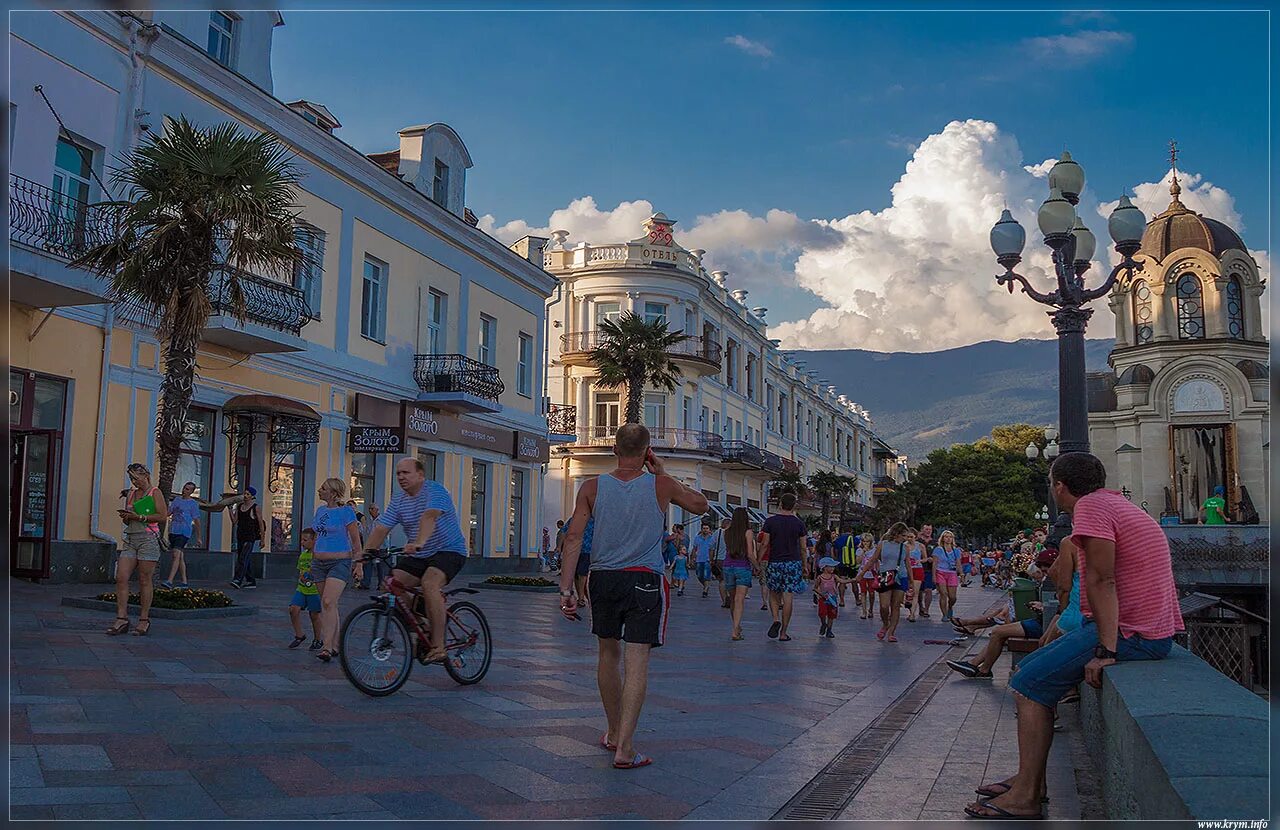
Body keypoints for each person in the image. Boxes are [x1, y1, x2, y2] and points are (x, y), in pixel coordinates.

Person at [966, 452, 1183, 820]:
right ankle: (1029, 779)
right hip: (1143, 626)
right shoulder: (1115, 503)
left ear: (1059, 486)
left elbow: (1101, 578)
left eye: (1052, 484)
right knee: (1031, 671)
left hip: (1133, 632)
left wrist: (1108, 650)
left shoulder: (1090, 509)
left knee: (1029, 682)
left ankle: (1026, 797)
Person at [558, 424, 708, 770]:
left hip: (603, 579)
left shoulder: (592, 487)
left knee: (607, 655)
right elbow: (700, 506)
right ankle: (625, 747)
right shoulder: (661, 484)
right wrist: (664, 473)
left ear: (614, 449)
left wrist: (567, 589)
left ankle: (612, 732)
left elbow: (573, 538)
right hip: (645, 580)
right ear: (647, 452)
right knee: (637, 660)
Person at [363, 457, 469, 665]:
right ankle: (423, 624)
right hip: (420, 554)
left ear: (420, 475)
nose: (401, 477)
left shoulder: (435, 491)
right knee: (391, 584)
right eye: (398, 473)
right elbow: (382, 528)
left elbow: (429, 516)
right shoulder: (399, 499)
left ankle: (439, 646)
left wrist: (419, 541)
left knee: (430, 583)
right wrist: (364, 555)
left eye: (406, 472)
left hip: (449, 551)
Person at [107, 463, 168, 636]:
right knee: (121, 577)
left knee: (144, 579)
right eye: (131, 478)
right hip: (131, 538)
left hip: (148, 539)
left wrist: (140, 516)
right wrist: (127, 517)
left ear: (145, 476)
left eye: (136, 478)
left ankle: (144, 619)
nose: (134, 482)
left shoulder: (155, 492)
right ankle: (122, 618)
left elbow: (162, 516)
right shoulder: (131, 494)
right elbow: (129, 520)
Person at [309, 478, 362, 662]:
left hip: (340, 562)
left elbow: (356, 540)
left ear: (332, 492)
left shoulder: (346, 512)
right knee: (329, 605)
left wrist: (359, 563)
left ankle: (326, 646)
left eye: (323, 488)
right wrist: (310, 558)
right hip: (318, 563)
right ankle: (336, 645)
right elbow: (316, 536)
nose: (319, 490)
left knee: (328, 601)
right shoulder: (320, 510)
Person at [761, 493, 808, 642]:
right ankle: (783, 632)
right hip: (793, 562)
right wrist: (805, 565)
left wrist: (757, 560)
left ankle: (775, 619)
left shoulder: (770, 522)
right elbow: (803, 547)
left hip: (775, 561)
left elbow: (765, 543)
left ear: (780, 504)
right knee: (788, 596)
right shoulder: (799, 524)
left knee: (774, 593)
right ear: (794, 505)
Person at [860, 523, 910, 643]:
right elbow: (873, 560)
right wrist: (861, 573)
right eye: (904, 535)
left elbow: (907, 564)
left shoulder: (905, 548)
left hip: (901, 576)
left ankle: (891, 632)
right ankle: (885, 624)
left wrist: (911, 581)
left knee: (896, 606)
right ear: (896, 534)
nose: (906, 538)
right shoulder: (883, 545)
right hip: (885, 575)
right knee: (884, 606)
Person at [721, 508, 758, 641]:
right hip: (742, 567)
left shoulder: (727, 532)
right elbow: (750, 553)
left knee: (733, 599)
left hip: (728, 567)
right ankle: (735, 629)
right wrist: (757, 566)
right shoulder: (748, 532)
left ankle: (736, 626)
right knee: (739, 599)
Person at [288, 528, 324, 650]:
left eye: (305, 540)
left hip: (314, 590)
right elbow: (301, 571)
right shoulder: (303, 555)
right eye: (301, 540)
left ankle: (318, 639)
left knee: (314, 615)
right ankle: (299, 635)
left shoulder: (319, 555)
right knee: (293, 609)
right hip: (302, 588)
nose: (302, 543)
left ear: (314, 540)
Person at [161, 481, 200, 589]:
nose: (184, 490)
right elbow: (168, 513)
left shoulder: (193, 504)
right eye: (184, 488)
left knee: (175, 555)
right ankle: (184, 581)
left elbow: (197, 521)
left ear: (192, 492)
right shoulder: (177, 500)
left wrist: (198, 537)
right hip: (173, 530)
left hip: (184, 532)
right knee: (180, 557)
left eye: (187, 489)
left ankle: (169, 580)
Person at [229, 486, 266, 589]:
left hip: (250, 536)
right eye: (245, 493)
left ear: (252, 496)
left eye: (248, 494)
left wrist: (263, 539)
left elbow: (260, 524)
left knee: (243, 558)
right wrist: (229, 509)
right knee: (245, 558)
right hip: (240, 535)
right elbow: (234, 521)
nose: (245, 496)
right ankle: (251, 581)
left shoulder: (255, 508)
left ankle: (238, 579)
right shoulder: (240, 506)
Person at [933, 530, 962, 622]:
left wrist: (961, 573)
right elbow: (934, 563)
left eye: (950, 537)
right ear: (943, 538)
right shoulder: (938, 549)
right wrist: (934, 576)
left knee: (953, 597)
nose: (948, 539)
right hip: (940, 572)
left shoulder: (956, 550)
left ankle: (950, 607)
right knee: (943, 594)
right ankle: (944, 614)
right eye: (946, 536)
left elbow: (958, 563)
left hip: (952, 573)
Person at [812, 557, 844, 638]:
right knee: (822, 613)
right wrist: (821, 594)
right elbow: (815, 588)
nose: (833, 568)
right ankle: (823, 624)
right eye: (831, 566)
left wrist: (853, 580)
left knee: (832, 614)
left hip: (832, 598)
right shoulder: (820, 578)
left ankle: (829, 630)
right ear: (825, 567)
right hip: (823, 598)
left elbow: (841, 581)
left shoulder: (834, 576)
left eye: (833, 566)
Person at [690, 522, 718, 599]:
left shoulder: (712, 538)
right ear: (701, 529)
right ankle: (706, 586)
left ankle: (705, 589)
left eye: (707, 528)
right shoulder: (697, 538)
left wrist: (712, 559)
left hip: (708, 559)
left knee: (706, 575)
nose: (705, 530)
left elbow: (713, 549)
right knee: (699, 575)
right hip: (699, 559)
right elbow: (694, 548)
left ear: (709, 530)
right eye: (704, 528)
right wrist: (692, 558)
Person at [903, 527, 925, 622]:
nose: (909, 539)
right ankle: (909, 607)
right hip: (906, 570)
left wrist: (919, 560)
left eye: (911, 537)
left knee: (916, 592)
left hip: (917, 569)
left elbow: (925, 558)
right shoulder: (903, 546)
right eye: (907, 537)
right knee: (906, 592)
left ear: (915, 537)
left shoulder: (920, 546)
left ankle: (912, 614)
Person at [855, 534, 878, 620]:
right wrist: (863, 552)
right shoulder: (859, 550)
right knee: (863, 592)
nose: (865, 543)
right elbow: (858, 561)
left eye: (867, 541)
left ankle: (871, 609)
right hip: (862, 574)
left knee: (871, 593)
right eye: (864, 541)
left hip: (872, 574)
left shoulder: (874, 550)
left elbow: (876, 561)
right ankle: (864, 611)